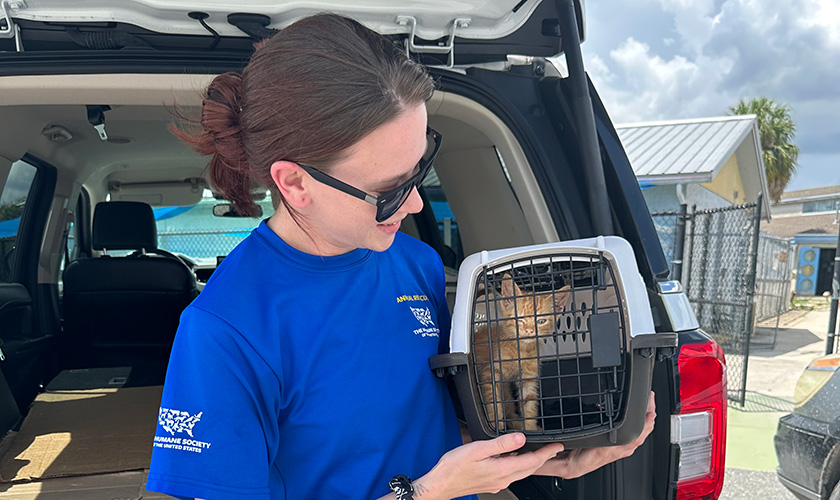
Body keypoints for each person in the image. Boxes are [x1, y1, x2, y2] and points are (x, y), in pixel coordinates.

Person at [146, 13, 656, 500]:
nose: (413, 203)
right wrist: (428, 493)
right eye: (390, 189)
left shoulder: (417, 263)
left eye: (420, 170)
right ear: (295, 183)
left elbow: (422, 427)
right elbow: (431, 481)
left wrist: (544, 458)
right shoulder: (225, 329)